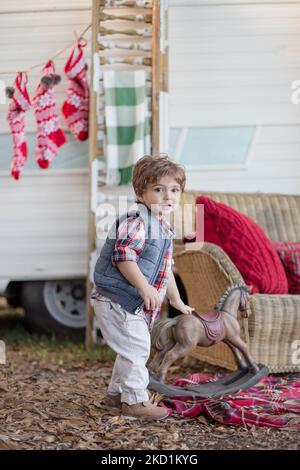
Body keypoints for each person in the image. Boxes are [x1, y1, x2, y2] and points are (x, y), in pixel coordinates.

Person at [92, 155, 194, 421]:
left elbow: (165, 268)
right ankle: (135, 403)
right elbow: (123, 256)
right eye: (158, 189)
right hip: (116, 298)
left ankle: (115, 395)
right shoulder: (137, 221)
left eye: (174, 190)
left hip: (128, 300)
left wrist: (177, 300)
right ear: (140, 193)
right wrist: (144, 286)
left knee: (130, 348)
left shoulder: (162, 226)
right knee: (137, 349)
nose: (167, 196)